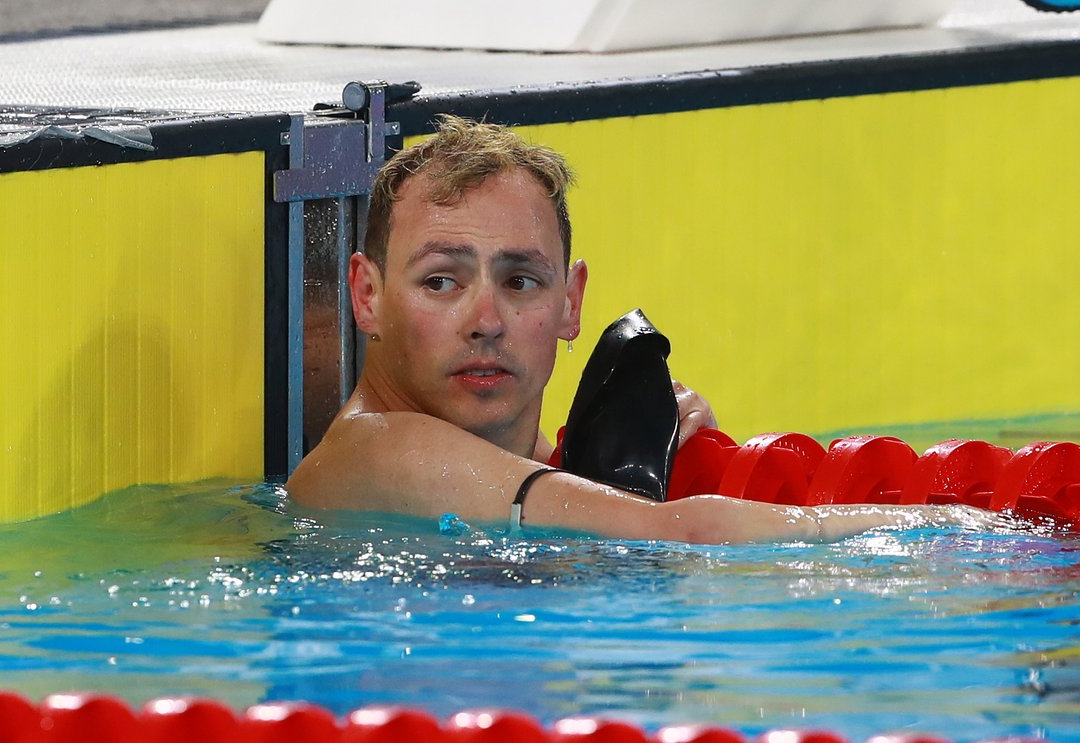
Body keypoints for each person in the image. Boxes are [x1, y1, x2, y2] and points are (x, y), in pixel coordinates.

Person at [287, 116, 999, 543]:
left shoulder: (527, 468)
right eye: (442, 280)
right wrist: (954, 532)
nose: (486, 320)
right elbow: (684, 536)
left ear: (570, 304)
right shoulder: (380, 451)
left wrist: (680, 466)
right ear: (368, 295)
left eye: (520, 280)